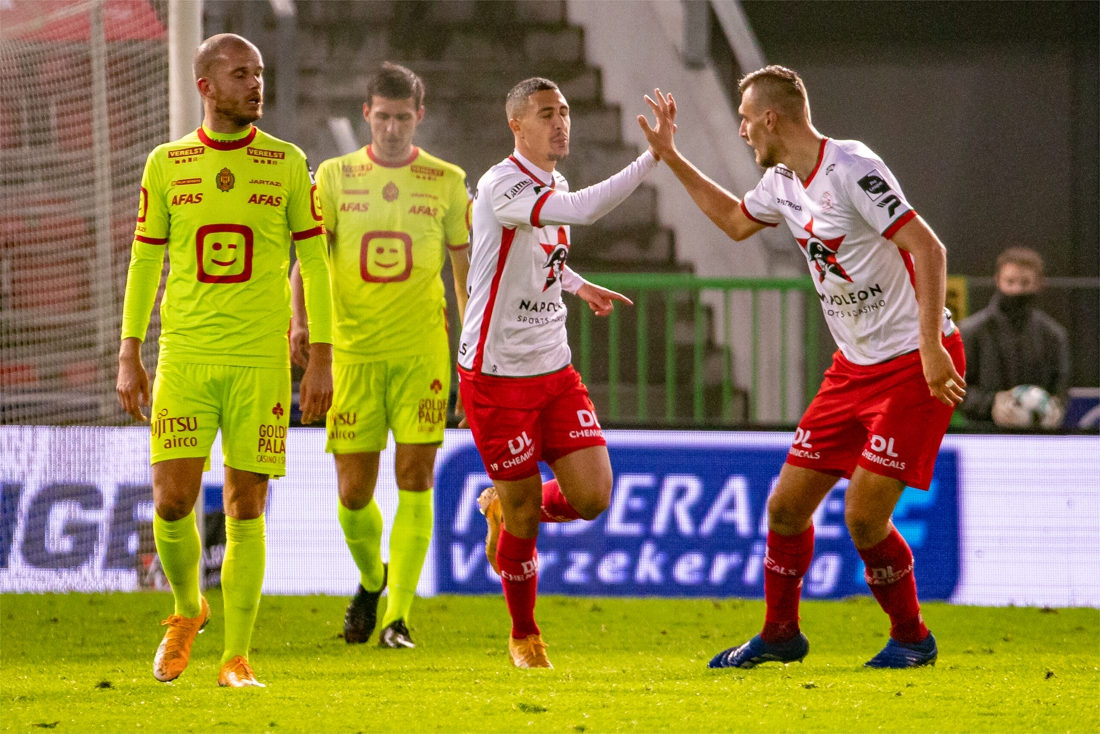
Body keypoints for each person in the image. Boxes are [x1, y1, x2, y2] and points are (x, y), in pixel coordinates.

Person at [637, 66, 965, 669]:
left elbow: (929, 248)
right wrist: (672, 158)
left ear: (770, 118)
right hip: (853, 369)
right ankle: (780, 634)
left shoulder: (852, 168)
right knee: (786, 507)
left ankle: (913, 638)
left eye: (743, 118)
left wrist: (930, 345)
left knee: (864, 517)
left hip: (911, 362)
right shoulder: (783, 182)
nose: (740, 131)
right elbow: (737, 221)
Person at [116, 34, 333, 688]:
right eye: (241, 75)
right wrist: (129, 351)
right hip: (184, 356)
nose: (255, 85)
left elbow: (314, 264)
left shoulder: (289, 164)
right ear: (206, 86)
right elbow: (144, 261)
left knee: (247, 505)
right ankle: (188, 610)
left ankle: (236, 658)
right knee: (173, 501)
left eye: (260, 73)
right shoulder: (167, 164)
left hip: (260, 362)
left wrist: (318, 353)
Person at [463, 77, 665, 669]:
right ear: (516, 125)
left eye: (566, 111)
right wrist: (654, 155)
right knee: (527, 513)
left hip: (554, 368)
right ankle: (525, 635)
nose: (561, 122)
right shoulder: (502, 183)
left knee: (594, 495)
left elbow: (541, 255)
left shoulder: (553, 182)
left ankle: (503, 506)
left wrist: (576, 285)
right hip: (497, 376)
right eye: (547, 113)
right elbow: (582, 212)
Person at [289, 63, 470, 649]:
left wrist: (469, 349)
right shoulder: (335, 177)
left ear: (419, 115)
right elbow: (308, 262)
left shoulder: (446, 181)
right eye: (383, 116)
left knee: (415, 476)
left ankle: (398, 617)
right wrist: (301, 321)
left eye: (403, 117)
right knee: (353, 494)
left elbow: (464, 273)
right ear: (367, 114)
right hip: (354, 353)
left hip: (422, 353)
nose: (393, 127)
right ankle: (373, 579)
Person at [958, 247, 1069, 428]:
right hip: (983, 438)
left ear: (1039, 283)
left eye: (1025, 283)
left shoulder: (1053, 335)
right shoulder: (971, 331)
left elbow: (1061, 389)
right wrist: (992, 405)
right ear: (997, 281)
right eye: (1010, 282)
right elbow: (955, 390)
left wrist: (1054, 407)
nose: (1017, 289)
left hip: (1038, 439)